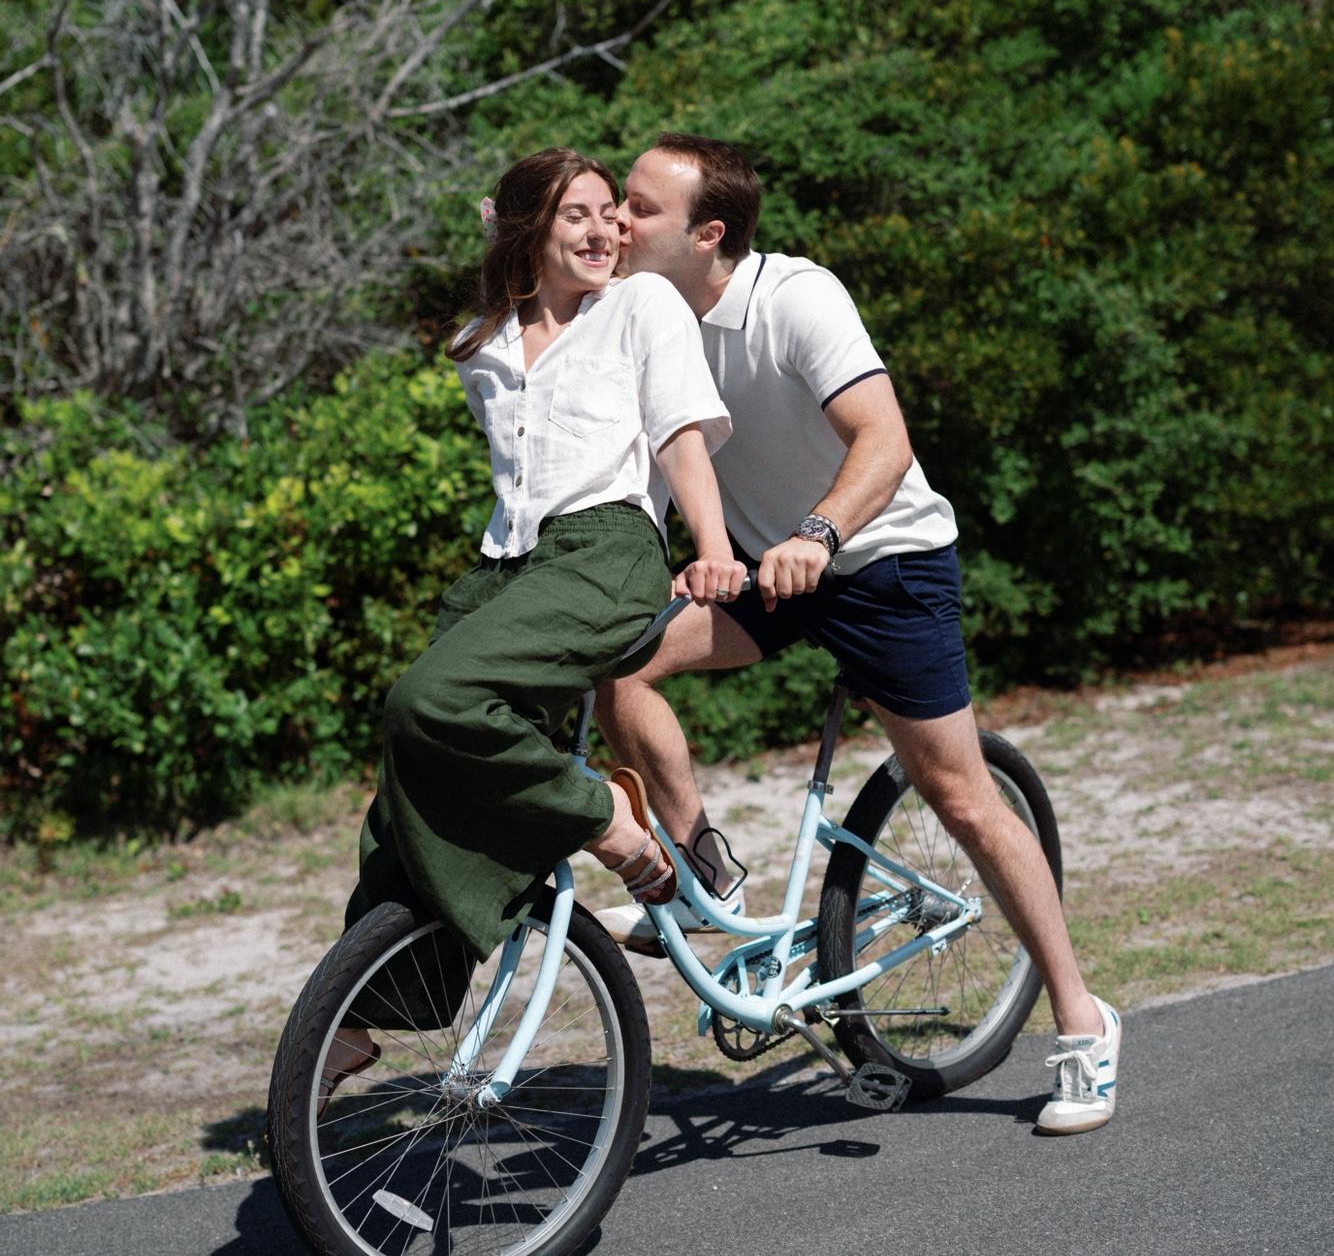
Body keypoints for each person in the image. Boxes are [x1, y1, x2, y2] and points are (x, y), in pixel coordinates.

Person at [593, 133, 1121, 1136]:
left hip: (881, 560)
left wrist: (819, 532)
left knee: (957, 794)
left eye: (639, 207)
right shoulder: (642, 309)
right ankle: (700, 874)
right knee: (616, 665)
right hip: (765, 570)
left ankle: (1081, 1019)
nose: (618, 219)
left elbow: (884, 438)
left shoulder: (795, 299)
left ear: (707, 234)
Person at [318, 147, 746, 1112]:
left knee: (429, 699)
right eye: (575, 216)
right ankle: (369, 1004)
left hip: (607, 552)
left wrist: (713, 551)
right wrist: (504, 241)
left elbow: (678, 434)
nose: (604, 231)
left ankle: (606, 821)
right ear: (528, 232)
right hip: (507, 564)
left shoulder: (640, 307)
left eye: (609, 213)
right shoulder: (484, 344)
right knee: (412, 762)